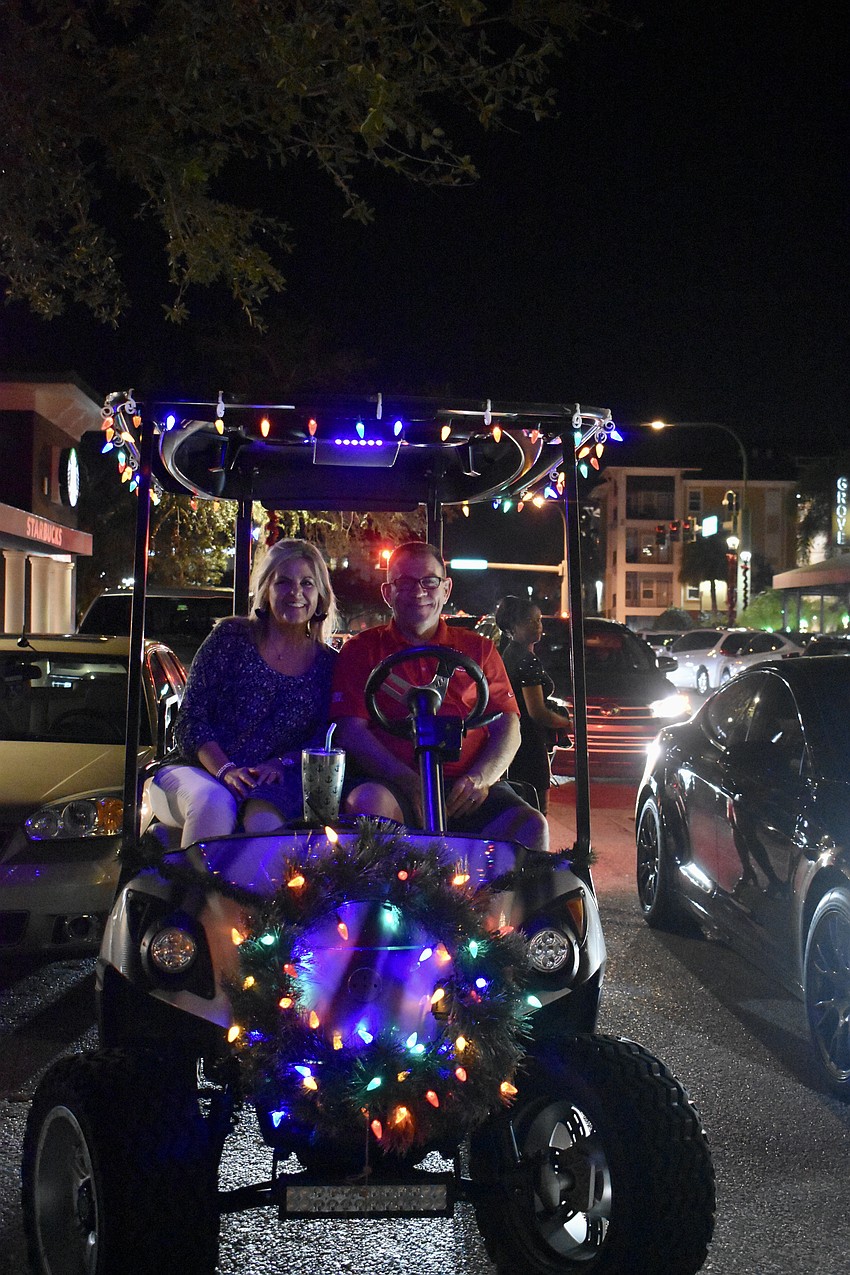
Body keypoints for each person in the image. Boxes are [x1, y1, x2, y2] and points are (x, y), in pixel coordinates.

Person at [330, 542, 549, 852]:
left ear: (445, 589)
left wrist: (481, 778)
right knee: (367, 804)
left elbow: (508, 724)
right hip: (392, 784)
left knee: (532, 826)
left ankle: (494, 901)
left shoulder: (480, 650)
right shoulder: (361, 650)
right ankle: (386, 897)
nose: (418, 592)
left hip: (467, 789)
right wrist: (407, 780)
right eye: (404, 582)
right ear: (387, 592)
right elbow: (350, 730)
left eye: (429, 582)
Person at [150, 539, 338, 846]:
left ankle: (244, 896)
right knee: (214, 804)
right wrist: (226, 770)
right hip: (197, 770)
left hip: (269, 783)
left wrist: (280, 764)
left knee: (265, 827)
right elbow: (190, 720)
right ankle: (199, 894)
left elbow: (323, 738)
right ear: (266, 590)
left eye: (307, 583)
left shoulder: (328, 664)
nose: (296, 593)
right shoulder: (231, 638)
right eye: (284, 583)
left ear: (320, 596)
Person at [495, 595, 572, 814]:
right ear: (512, 627)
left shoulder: (509, 654)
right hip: (530, 744)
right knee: (536, 811)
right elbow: (537, 712)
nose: (538, 626)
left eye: (538, 620)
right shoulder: (526, 661)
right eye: (530, 621)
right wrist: (565, 722)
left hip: (514, 738)